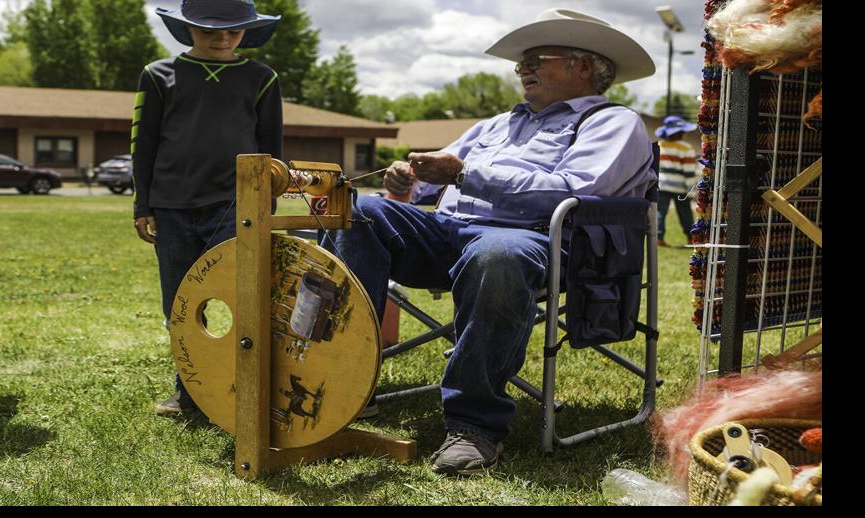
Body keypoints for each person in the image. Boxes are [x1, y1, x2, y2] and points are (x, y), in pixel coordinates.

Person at [329, 9, 656, 475]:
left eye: (536, 59)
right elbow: (439, 173)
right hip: (450, 234)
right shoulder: (498, 122)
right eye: (520, 63)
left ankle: (474, 426)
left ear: (585, 66)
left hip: (541, 241)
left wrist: (463, 172)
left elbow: (570, 191)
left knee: (498, 252)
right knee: (360, 209)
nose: (523, 70)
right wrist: (410, 179)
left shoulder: (615, 123)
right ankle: (342, 385)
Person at [133, 0, 285, 416]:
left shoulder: (262, 78)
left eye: (233, 31)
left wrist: (266, 204)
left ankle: (246, 387)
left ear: (246, 32)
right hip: (171, 207)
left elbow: (272, 149)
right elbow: (142, 145)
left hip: (237, 207)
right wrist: (142, 204)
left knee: (244, 299)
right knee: (180, 303)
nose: (222, 38)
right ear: (186, 28)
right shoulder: (157, 75)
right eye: (210, 30)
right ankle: (190, 389)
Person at [655, 115, 698, 247]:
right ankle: (691, 238)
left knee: (660, 211)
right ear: (682, 132)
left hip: (661, 184)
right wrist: (692, 191)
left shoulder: (659, 145)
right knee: (685, 212)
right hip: (680, 188)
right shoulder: (686, 148)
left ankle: (658, 238)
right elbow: (689, 172)